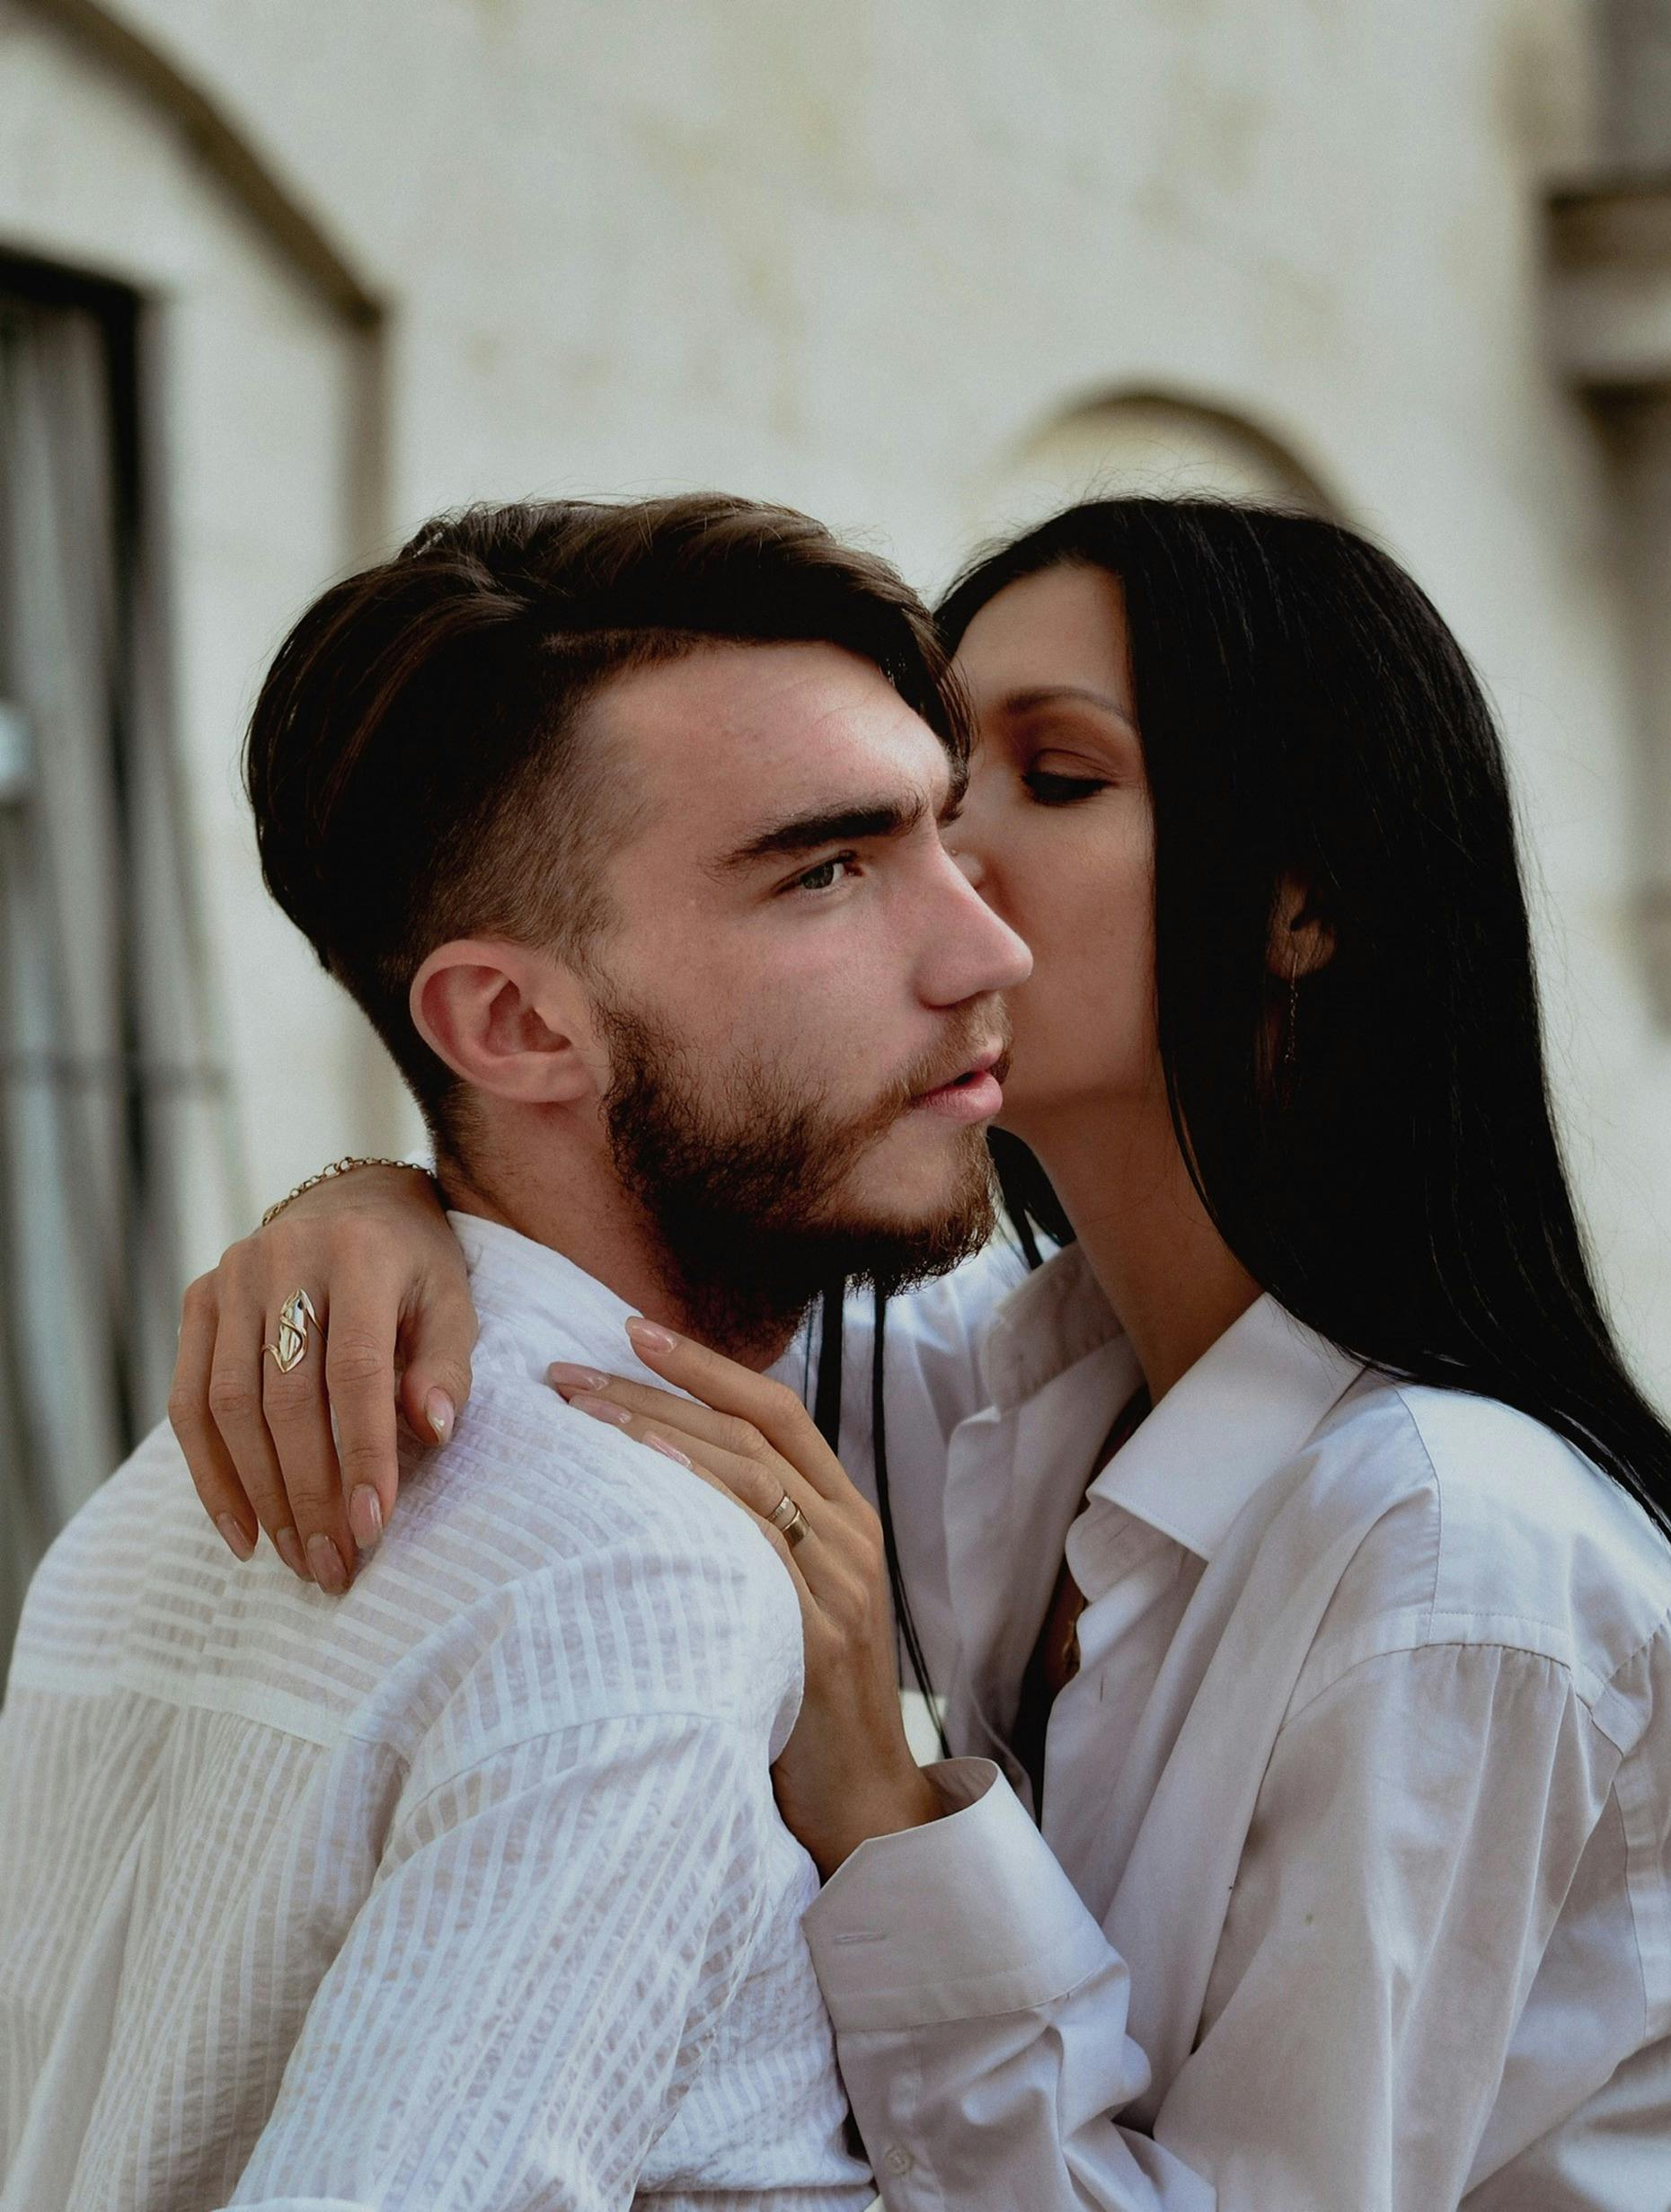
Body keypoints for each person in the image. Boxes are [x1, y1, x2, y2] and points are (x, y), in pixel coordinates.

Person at [173, 498, 1671, 2208]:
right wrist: (362, 1210)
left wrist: (885, 1807)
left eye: (1057, 779)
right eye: (898, 815)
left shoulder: (1456, 1566)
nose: (952, 886)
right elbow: (605, 1262)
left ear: (1301, 903)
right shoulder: (1012, 1387)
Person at [0, 492, 1036, 2210]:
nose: (984, 946)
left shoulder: (135, 1527)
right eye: (829, 870)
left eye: (948, 833)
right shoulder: (641, 1578)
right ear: (516, 1023)